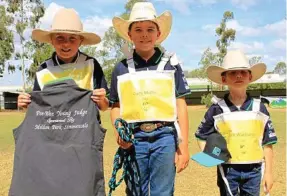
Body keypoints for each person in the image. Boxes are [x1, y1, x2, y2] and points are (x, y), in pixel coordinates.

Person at [109, 2, 190, 196]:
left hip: (164, 137)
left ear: (158, 34)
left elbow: (180, 104)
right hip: (134, 138)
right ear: (130, 35)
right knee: (136, 191)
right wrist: (119, 133)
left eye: (150, 29)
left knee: (163, 191)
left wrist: (184, 145)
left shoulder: (171, 65)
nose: (144, 34)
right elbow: (115, 106)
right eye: (138, 29)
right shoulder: (121, 68)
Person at [195, 49, 277, 196]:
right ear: (224, 79)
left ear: (250, 77)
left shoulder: (260, 108)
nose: (238, 75)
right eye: (232, 73)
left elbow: (267, 144)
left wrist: (269, 173)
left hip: (255, 169)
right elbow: (201, 136)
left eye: (243, 72)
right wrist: (211, 156)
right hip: (227, 169)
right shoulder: (217, 109)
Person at [17, 8, 109, 112]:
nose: (66, 44)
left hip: (87, 127)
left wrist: (101, 99)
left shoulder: (91, 64)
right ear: (51, 40)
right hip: (53, 127)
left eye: (72, 38)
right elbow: (38, 108)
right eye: (60, 37)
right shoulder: (43, 69)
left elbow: (104, 107)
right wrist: (26, 104)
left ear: (80, 40)